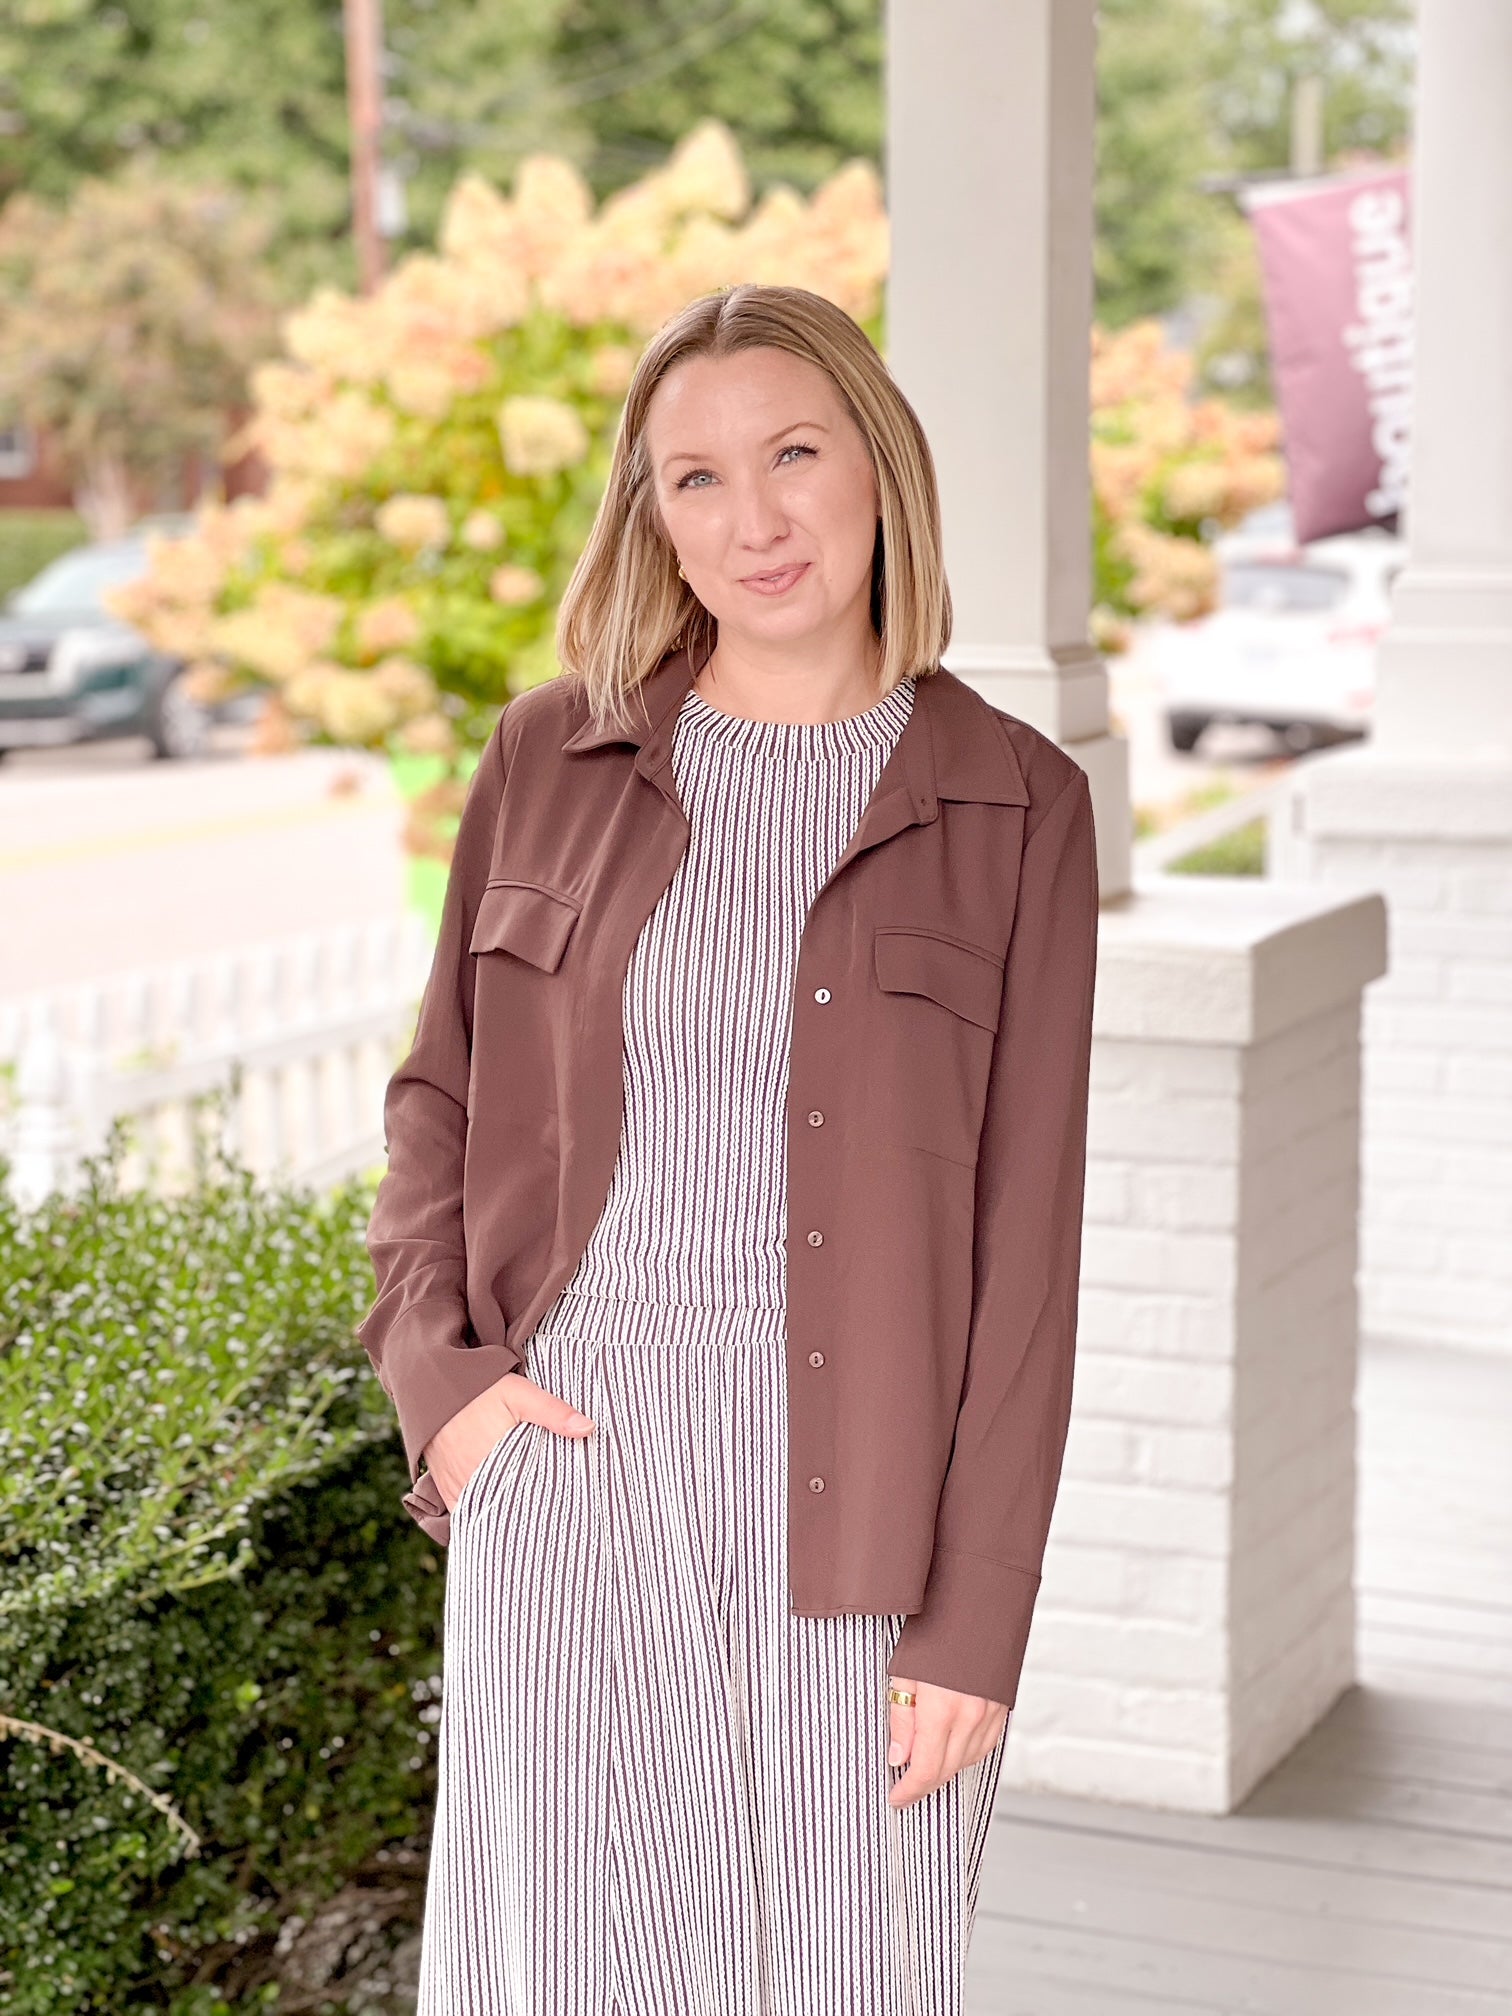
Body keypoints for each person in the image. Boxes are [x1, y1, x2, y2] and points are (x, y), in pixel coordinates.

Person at [357, 280, 1101, 2014]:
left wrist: (977, 1615)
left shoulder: (1016, 806)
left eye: (790, 453)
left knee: (838, 1974)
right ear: (651, 513)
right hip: (574, 1472)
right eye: (693, 477)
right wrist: (445, 1394)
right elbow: (438, 1105)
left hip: (859, 1524)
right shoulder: (553, 755)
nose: (751, 519)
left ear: (878, 464)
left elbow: (1026, 1251)